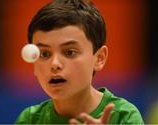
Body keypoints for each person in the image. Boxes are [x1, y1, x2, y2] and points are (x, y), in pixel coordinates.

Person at [15, 0, 144, 124]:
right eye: (44, 54)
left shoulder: (124, 117)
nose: (54, 64)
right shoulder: (29, 120)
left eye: (69, 52)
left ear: (99, 58)